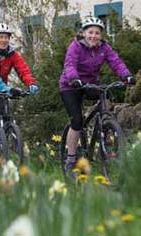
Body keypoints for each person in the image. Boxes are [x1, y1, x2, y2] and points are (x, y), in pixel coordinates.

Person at [59, 17, 135, 177]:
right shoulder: (75, 46)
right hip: (70, 85)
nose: (93, 36)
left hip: (90, 84)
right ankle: (71, 160)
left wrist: (126, 75)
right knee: (77, 122)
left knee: (104, 98)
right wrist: (73, 78)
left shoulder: (104, 47)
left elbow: (116, 62)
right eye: (90, 32)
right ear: (84, 33)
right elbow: (70, 64)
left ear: (101, 35)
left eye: (97, 33)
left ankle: (104, 131)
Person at [0, 23, 40, 115]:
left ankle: (6, 128)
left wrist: (31, 83)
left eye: (6, 37)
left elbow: (23, 69)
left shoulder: (12, 54)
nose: (4, 40)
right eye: (1, 37)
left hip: (1, 89)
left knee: (5, 114)